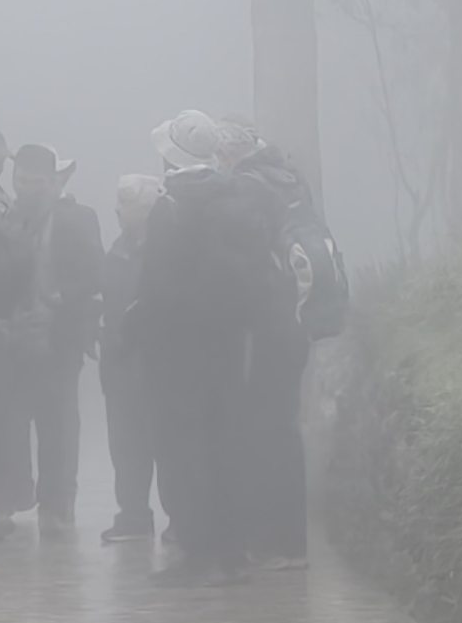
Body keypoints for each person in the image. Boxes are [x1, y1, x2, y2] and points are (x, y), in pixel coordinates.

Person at [136, 110, 273, 588]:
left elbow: (154, 287)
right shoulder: (238, 198)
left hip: (178, 351)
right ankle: (232, 553)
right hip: (229, 344)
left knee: (184, 450)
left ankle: (197, 553)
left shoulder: (170, 207)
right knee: (226, 444)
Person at [218, 115, 328, 571]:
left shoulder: (248, 187)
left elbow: (243, 260)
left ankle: (274, 542)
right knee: (283, 427)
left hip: (266, 323)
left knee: (263, 430)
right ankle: (291, 541)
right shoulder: (288, 178)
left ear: (228, 152)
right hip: (295, 319)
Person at [0, 143, 102, 539]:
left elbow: (95, 272)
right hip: (12, 339)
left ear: (52, 181)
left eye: (36, 181)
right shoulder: (6, 217)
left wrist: (61, 299)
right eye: (22, 180)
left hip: (59, 339)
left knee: (58, 426)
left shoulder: (77, 218)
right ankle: (8, 498)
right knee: (8, 424)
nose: (28, 188)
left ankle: (57, 505)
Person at [98, 173, 163, 544]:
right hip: (119, 362)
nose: (118, 211)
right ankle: (134, 515)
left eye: (126, 204)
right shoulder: (116, 251)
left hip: (154, 361)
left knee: (163, 442)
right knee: (124, 445)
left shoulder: (164, 251)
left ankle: (180, 518)